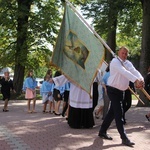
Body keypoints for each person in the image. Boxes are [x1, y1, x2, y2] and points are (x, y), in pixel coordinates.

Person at [98, 46, 144, 147]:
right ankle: (124, 138)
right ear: (119, 52)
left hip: (121, 91)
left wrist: (140, 79)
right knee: (119, 113)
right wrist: (135, 80)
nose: (124, 55)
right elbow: (124, 72)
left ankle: (102, 131)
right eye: (122, 53)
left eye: (126, 54)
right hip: (112, 90)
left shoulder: (128, 63)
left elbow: (133, 71)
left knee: (112, 113)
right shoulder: (114, 62)